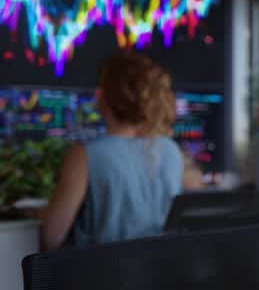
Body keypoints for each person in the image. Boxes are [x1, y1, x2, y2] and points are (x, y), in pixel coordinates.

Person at [40, 51, 183, 249]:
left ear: (104, 97)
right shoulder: (171, 150)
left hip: (101, 276)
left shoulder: (85, 156)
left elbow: (52, 237)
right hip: (158, 275)